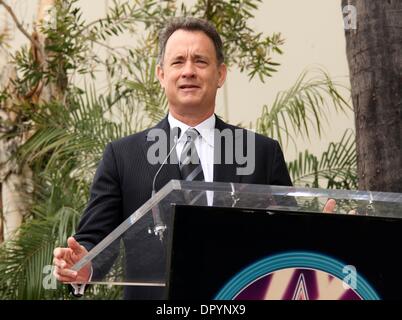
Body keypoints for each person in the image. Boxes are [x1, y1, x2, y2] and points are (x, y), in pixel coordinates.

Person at [53, 17, 336, 299]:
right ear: (161, 75)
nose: (188, 71)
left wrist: (317, 238)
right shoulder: (123, 156)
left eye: (200, 61)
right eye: (178, 62)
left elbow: (289, 239)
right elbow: (95, 239)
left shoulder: (260, 152)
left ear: (220, 74)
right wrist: (83, 265)